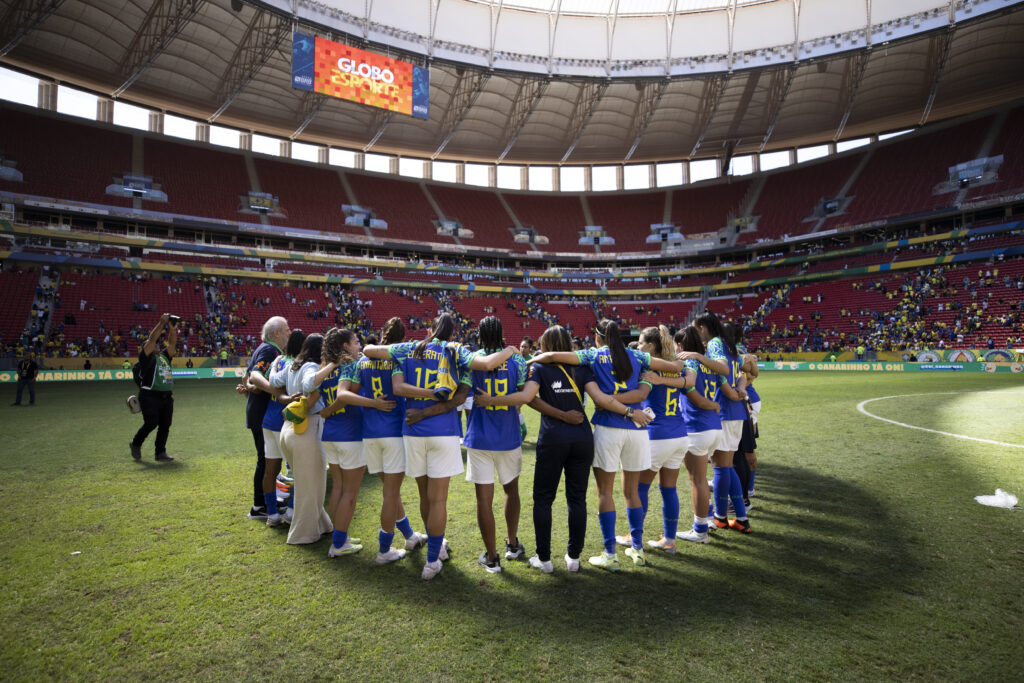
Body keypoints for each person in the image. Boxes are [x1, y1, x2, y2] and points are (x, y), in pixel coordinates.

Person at [477, 325, 641, 573]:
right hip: (582, 437)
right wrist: (631, 407)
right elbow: (600, 398)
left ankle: (544, 559)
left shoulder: (539, 368)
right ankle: (574, 558)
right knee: (577, 499)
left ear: (545, 345)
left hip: (553, 438)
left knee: (543, 499)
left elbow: (526, 398)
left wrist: (491, 400)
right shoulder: (582, 367)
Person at [363, 313, 516, 580]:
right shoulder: (455, 350)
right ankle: (433, 560)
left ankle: (436, 548)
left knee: (425, 495)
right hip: (443, 432)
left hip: (412, 431)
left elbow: (371, 353)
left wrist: (422, 405)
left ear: (430, 329)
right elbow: (486, 364)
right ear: (453, 333)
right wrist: (511, 349)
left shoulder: (408, 348)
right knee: (439, 499)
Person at [529, 319, 683, 571]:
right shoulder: (637, 355)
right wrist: (678, 364)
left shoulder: (592, 354)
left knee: (605, 493)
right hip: (637, 429)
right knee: (633, 493)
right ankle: (637, 549)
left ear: (598, 337)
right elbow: (674, 368)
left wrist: (532, 359)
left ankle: (610, 553)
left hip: (608, 428)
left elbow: (554, 355)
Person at [316, 328, 397, 559]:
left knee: (339, 489)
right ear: (345, 346)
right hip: (350, 435)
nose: (359, 345)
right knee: (350, 493)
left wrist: (328, 411)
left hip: (330, 434)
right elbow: (344, 397)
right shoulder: (351, 365)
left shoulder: (326, 368)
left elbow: (318, 398)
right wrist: (374, 403)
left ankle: (339, 536)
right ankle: (339, 544)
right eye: (355, 342)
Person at [356, 318, 429, 563]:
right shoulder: (398, 359)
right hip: (393, 431)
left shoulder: (363, 360)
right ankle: (384, 550)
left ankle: (408, 535)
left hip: (370, 433)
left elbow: (354, 391)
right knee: (390, 494)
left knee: (391, 491)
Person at [462, 316, 529, 574]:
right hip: (508, 435)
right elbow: (522, 396)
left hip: (479, 436)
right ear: (502, 333)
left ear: (479, 335)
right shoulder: (517, 359)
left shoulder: (472, 359)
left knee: (484, 500)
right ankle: (512, 544)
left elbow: (465, 395)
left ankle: (492, 557)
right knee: (511, 490)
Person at [632, 325, 695, 554]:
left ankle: (633, 537)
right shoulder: (677, 367)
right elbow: (689, 381)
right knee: (669, 490)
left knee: (639, 488)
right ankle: (669, 540)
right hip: (679, 435)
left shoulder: (648, 365)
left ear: (650, 346)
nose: (638, 347)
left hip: (656, 436)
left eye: (640, 343)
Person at [269, 333, 333, 545]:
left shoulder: (293, 366)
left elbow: (273, 381)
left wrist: (275, 364)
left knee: (311, 482)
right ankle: (302, 534)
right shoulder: (311, 367)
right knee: (310, 485)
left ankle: (322, 524)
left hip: (289, 429)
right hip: (306, 428)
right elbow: (310, 384)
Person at [665, 325, 723, 544]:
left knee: (697, 480)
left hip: (697, 427)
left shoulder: (689, 364)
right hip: (714, 427)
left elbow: (695, 396)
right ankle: (707, 519)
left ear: (681, 345)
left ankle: (700, 531)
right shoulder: (709, 364)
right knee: (700, 479)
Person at [694, 312, 751, 534]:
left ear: (701, 327)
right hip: (736, 412)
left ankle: (719, 516)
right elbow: (742, 373)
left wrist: (731, 392)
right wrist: (741, 389)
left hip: (726, 410)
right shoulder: (732, 346)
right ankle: (741, 518)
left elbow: (722, 371)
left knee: (720, 466)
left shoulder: (715, 344)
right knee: (727, 466)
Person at [245, 329, 306, 527]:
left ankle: (271, 514)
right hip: (284, 422)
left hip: (268, 421)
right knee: (298, 471)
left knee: (270, 470)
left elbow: (258, 378)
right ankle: (290, 512)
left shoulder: (277, 360)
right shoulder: (296, 365)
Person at [239, 316, 289, 520]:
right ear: (276, 332)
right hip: (261, 414)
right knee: (265, 461)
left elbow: (250, 378)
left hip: (258, 411)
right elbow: (255, 376)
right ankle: (259, 505)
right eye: (286, 329)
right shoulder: (269, 350)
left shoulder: (267, 349)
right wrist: (277, 392)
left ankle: (265, 501)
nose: (289, 332)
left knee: (268, 461)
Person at [129, 313, 177, 462]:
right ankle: (136, 444)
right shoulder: (146, 358)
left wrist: (172, 328)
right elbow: (151, 340)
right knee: (151, 423)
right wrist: (161, 324)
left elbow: (172, 344)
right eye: (153, 345)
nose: (156, 345)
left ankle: (160, 453)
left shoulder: (164, 357)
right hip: (150, 395)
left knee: (165, 425)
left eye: (157, 344)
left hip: (166, 396)